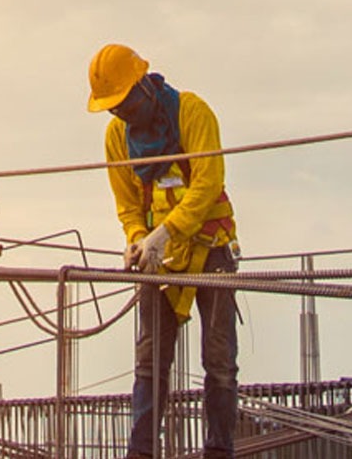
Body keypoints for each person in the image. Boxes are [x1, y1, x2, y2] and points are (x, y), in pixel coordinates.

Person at [86, 44, 239, 459]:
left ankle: (218, 451)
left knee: (219, 361)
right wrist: (139, 237)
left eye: (123, 103)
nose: (120, 113)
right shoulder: (117, 137)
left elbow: (208, 183)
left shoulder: (191, 113)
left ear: (143, 86)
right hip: (159, 259)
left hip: (211, 251)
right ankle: (142, 453)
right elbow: (127, 204)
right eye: (112, 108)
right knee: (150, 363)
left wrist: (166, 233)